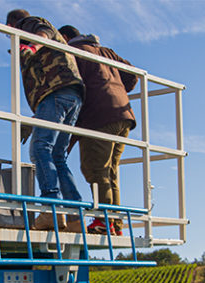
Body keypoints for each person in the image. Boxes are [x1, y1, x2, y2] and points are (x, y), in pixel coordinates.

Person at [6, 10, 85, 232]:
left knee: (40, 149)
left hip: (55, 92)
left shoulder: (27, 24)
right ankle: (76, 217)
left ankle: (52, 208)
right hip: (71, 94)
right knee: (58, 156)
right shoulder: (36, 32)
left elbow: (44, 33)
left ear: (12, 24)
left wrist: (30, 46)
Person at [58, 25, 138, 236]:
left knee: (96, 170)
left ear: (65, 37)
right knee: (111, 172)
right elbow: (133, 76)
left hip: (99, 118)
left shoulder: (74, 54)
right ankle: (115, 224)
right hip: (123, 115)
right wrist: (115, 89)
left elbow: (71, 92)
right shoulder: (104, 51)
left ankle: (104, 221)